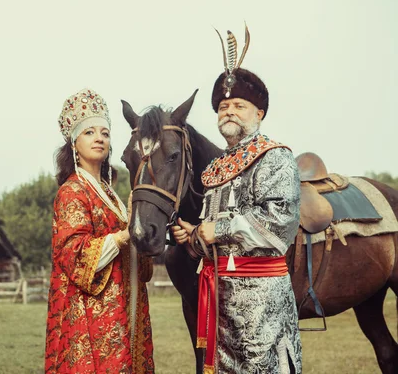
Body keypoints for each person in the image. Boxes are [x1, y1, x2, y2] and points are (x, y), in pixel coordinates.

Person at [172, 27, 302, 374]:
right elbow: (212, 240)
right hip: (220, 303)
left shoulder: (274, 157)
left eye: (239, 106)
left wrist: (216, 228)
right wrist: (195, 237)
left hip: (262, 302)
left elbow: (279, 224)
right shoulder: (215, 169)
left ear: (259, 113)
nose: (229, 111)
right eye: (223, 106)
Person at [45, 88, 154, 373]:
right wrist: (124, 235)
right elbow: (73, 254)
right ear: (74, 143)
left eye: (105, 133)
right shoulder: (72, 191)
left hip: (125, 305)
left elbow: (134, 242)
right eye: (89, 132)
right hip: (90, 313)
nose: (99, 138)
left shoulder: (110, 193)